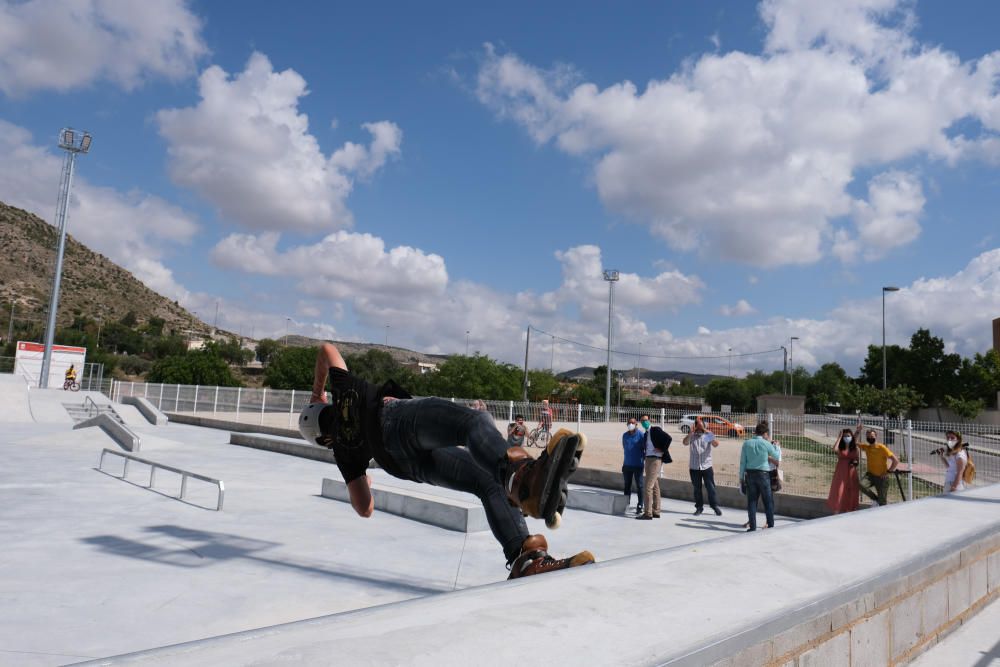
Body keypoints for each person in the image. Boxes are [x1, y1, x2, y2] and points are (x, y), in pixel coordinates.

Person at [299, 342, 594, 578]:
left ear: (322, 439)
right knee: (471, 423)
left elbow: (364, 508)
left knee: (488, 482)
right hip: (395, 421)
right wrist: (317, 391)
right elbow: (327, 350)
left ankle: (525, 559)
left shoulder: (343, 453)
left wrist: (365, 480)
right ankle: (521, 476)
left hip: (404, 465)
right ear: (322, 406)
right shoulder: (343, 391)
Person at [739, 422, 781, 531]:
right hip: (763, 474)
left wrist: (741, 477)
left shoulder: (746, 443)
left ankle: (752, 526)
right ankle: (770, 525)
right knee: (767, 500)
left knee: (752, 501)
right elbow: (776, 456)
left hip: (750, 474)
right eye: (767, 434)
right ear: (765, 433)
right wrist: (776, 446)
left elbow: (743, 462)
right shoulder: (766, 444)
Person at [683, 417, 722, 516]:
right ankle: (699, 507)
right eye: (698, 426)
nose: (699, 428)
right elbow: (684, 442)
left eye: (701, 426)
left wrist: (706, 431)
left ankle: (714, 506)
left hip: (706, 466)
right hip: (694, 467)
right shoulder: (692, 436)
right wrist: (690, 433)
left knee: (711, 488)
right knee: (697, 489)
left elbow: (716, 444)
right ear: (695, 426)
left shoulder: (707, 436)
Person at [856, 424, 899, 507]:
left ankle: (880, 504)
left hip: (882, 478)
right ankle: (875, 499)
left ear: (876, 436)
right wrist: (858, 431)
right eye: (868, 436)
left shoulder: (882, 447)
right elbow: (853, 442)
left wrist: (888, 472)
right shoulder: (867, 447)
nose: (870, 438)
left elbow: (895, 460)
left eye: (872, 436)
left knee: (882, 503)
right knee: (861, 485)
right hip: (870, 476)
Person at [637, 426, 672, 520]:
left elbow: (668, 438)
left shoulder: (655, 430)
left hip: (656, 459)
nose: (644, 422)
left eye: (645, 420)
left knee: (648, 487)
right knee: (655, 485)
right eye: (642, 420)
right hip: (648, 459)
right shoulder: (645, 435)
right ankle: (656, 511)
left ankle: (648, 513)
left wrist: (662, 449)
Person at [826, 428, 860, 513]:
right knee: (839, 490)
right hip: (841, 471)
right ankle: (837, 510)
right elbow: (834, 449)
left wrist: (855, 462)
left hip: (851, 472)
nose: (846, 437)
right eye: (845, 436)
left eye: (848, 436)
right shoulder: (841, 447)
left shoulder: (855, 447)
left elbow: (857, 459)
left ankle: (850, 509)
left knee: (850, 490)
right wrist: (839, 437)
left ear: (851, 436)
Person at [621, 418, 645, 514]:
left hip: (638, 465)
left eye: (633, 423)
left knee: (640, 486)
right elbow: (624, 447)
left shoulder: (641, 435)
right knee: (627, 486)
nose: (631, 424)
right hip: (627, 465)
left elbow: (645, 449)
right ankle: (626, 504)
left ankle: (640, 505)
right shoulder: (625, 435)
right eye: (629, 423)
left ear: (636, 424)